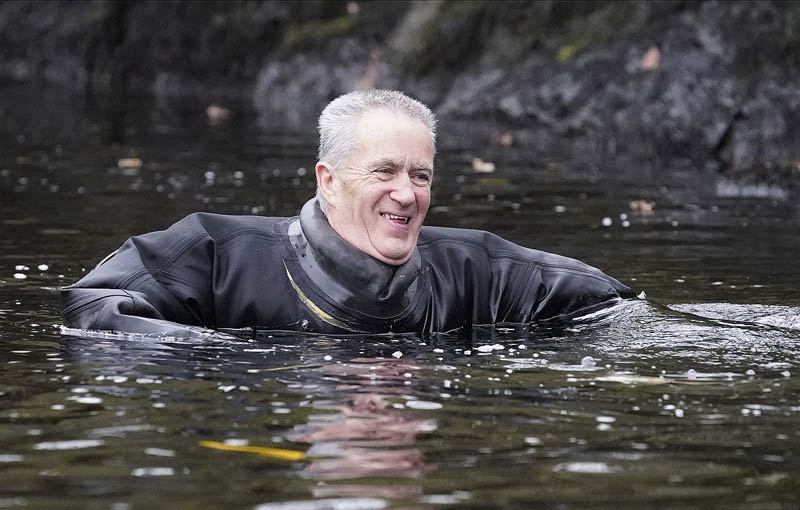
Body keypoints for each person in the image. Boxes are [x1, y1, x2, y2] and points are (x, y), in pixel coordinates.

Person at [61, 89, 634, 337]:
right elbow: (92, 309)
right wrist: (222, 358)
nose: (406, 194)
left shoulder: (476, 269)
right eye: (384, 172)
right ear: (328, 182)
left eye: (420, 175)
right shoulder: (215, 253)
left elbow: (619, 309)